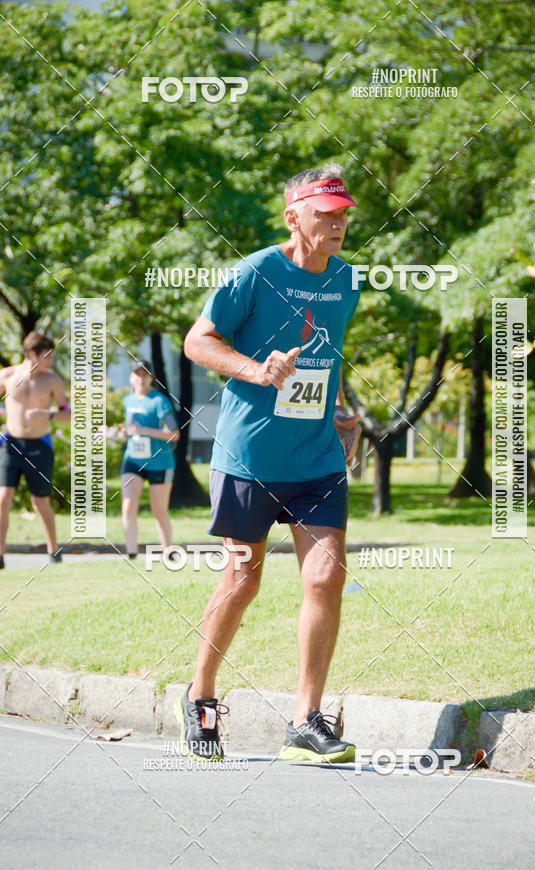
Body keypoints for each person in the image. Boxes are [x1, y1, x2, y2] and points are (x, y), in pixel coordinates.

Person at [180, 165, 363, 762]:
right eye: (324, 214)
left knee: (326, 576)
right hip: (249, 456)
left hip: (315, 458)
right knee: (242, 579)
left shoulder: (346, 280)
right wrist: (257, 369)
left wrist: (338, 411)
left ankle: (305, 720)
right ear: (294, 216)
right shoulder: (256, 271)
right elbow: (198, 341)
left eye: (342, 215)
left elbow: (324, 356)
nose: (336, 224)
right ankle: (200, 697)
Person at [0, 332, 71, 569]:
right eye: (48, 356)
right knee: (2, 500)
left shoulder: (52, 380)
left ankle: (53, 550)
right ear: (33, 354)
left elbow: (67, 414)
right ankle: (0, 554)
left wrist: (47, 414)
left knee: (40, 502)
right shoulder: (7, 375)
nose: (52, 361)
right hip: (11, 445)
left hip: (40, 445)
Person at [120, 360, 180, 559]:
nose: (141, 378)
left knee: (158, 510)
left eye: (145, 374)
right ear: (130, 377)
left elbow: (174, 433)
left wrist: (143, 431)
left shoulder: (160, 401)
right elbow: (129, 428)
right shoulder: (127, 401)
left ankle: (167, 552)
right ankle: (131, 554)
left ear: (151, 378)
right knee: (128, 505)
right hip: (133, 460)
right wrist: (122, 433)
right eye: (137, 373)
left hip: (159, 462)